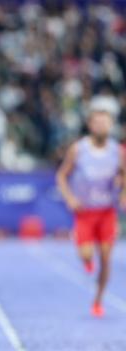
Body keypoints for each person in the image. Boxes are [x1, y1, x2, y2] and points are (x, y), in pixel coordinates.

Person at [56, 97, 126, 317]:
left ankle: (98, 300)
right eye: (97, 123)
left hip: (107, 212)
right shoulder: (79, 149)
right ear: (90, 125)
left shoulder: (118, 151)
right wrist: (70, 199)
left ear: (111, 125)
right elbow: (61, 176)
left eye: (105, 123)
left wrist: (123, 192)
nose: (101, 126)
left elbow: (124, 176)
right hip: (84, 213)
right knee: (87, 255)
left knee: (105, 258)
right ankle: (87, 261)